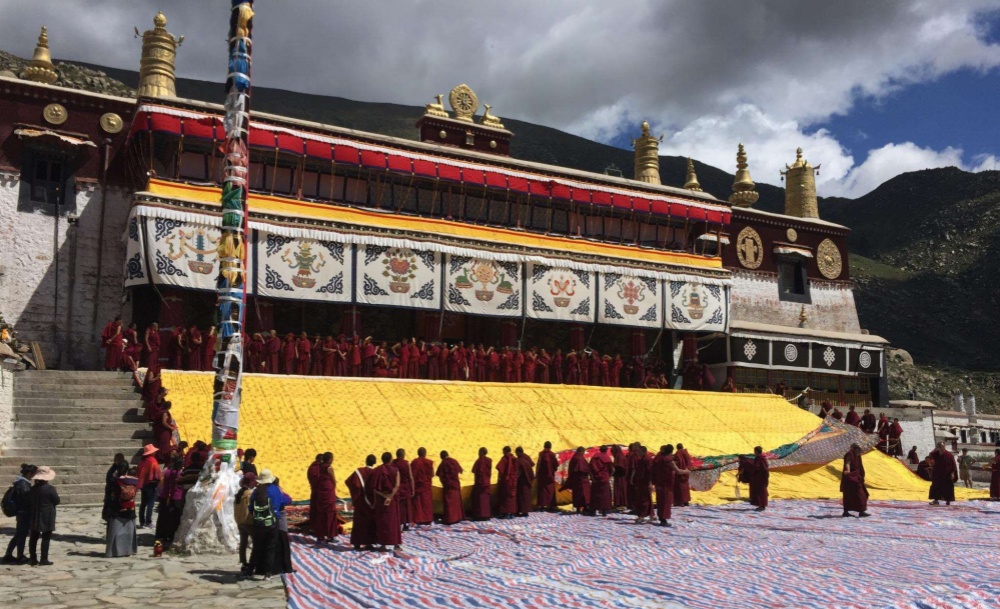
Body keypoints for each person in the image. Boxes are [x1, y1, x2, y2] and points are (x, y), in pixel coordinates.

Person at [248, 469, 290, 579]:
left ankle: (250, 570)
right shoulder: (275, 490)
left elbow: (251, 507)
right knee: (270, 547)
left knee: (256, 547)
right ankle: (267, 573)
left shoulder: (256, 491)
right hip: (272, 522)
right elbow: (283, 502)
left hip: (258, 522)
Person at [2, 464, 36, 564]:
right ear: (30, 473)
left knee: (19, 535)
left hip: (21, 512)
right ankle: (20, 556)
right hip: (23, 512)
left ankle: (8, 554)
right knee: (21, 535)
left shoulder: (20, 482)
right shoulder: (23, 484)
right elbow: (26, 499)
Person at [27, 466, 60, 566]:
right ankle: (43, 559)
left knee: (33, 537)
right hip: (47, 515)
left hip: (35, 515)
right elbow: (57, 501)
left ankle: (33, 558)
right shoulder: (50, 489)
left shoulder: (33, 489)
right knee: (46, 537)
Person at [368, 452, 401, 551]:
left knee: (382, 521)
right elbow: (397, 485)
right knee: (393, 522)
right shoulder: (396, 471)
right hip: (392, 500)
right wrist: (390, 497)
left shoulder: (377, 471)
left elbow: (374, 488)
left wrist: (384, 496)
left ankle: (383, 544)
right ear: (390, 460)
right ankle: (396, 544)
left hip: (381, 500)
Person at [345, 456, 376, 551]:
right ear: (374, 462)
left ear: (365, 461)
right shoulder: (375, 473)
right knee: (370, 522)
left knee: (359, 522)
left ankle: (357, 543)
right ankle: (369, 543)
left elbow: (348, 481)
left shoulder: (359, 471)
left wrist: (355, 494)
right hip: (371, 502)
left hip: (359, 501)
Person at [105, 468, 138, 558]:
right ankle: (128, 550)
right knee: (129, 530)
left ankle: (113, 551)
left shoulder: (117, 481)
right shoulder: (135, 482)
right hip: (130, 508)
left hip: (117, 507)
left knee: (115, 531)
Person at [154, 457, 185, 549]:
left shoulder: (166, 471)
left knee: (163, 516)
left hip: (165, 496)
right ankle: (171, 535)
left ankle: (161, 535)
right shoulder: (181, 473)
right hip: (177, 498)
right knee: (174, 518)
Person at [311, 452, 339, 543]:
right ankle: (330, 536)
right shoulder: (329, 468)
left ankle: (320, 536)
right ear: (330, 459)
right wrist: (334, 488)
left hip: (320, 490)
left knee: (321, 513)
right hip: (328, 491)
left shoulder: (318, 467)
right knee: (330, 513)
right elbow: (334, 480)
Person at [235, 472, 257, 574]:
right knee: (256, 543)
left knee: (243, 543)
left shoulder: (239, 493)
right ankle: (253, 563)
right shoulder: (250, 494)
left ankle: (244, 562)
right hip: (249, 521)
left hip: (240, 521)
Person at [136, 444, 161, 529]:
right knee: (150, 504)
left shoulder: (142, 461)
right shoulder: (153, 461)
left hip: (143, 484)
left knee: (143, 503)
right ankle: (148, 521)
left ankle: (141, 521)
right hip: (151, 484)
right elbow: (157, 474)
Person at [436, 450, 464, 525]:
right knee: (456, 502)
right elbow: (461, 471)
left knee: (449, 504)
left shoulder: (443, 463)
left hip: (448, 486)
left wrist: (443, 482)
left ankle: (450, 519)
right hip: (455, 485)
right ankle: (458, 517)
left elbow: (439, 474)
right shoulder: (454, 461)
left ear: (441, 457)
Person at [841, 443, 869, 517]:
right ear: (855, 449)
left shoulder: (858, 455)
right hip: (850, 477)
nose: (861, 452)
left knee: (862, 494)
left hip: (857, 477)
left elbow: (859, 466)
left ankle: (861, 511)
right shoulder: (849, 454)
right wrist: (848, 470)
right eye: (859, 450)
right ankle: (846, 511)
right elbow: (847, 463)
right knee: (848, 494)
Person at [391, 449, 415, 531]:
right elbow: (410, 477)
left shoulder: (393, 463)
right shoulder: (406, 464)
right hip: (405, 487)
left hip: (397, 488)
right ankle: (405, 525)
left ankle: (399, 524)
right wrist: (413, 489)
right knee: (406, 507)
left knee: (398, 507)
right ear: (403, 455)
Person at [411, 447, 435, 526]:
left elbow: (412, 475)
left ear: (418, 453)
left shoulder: (415, 462)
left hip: (418, 486)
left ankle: (418, 519)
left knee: (418, 503)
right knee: (427, 503)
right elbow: (432, 474)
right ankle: (428, 518)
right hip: (426, 486)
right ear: (425, 453)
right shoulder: (429, 462)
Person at [101, 454, 128, 522]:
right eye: (117, 460)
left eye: (120, 460)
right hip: (112, 494)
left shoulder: (121, 467)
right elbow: (110, 481)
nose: (118, 461)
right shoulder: (113, 470)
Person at [564, 447, 592, 515]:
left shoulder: (574, 458)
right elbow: (583, 468)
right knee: (584, 493)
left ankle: (578, 507)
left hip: (575, 479)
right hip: (581, 479)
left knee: (577, 493)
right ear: (582, 452)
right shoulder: (580, 458)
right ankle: (585, 507)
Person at [631, 447, 653, 524]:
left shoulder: (647, 459)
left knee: (644, 499)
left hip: (645, 482)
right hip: (641, 482)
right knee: (645, 498)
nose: (638, 453)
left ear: (644, 451)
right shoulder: (641, 459)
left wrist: (650, 483)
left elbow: (650, 472)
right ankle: (651, 515)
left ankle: (641, 516)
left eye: (639, 451)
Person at [588, 446, 612, 516]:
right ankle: (604, 511)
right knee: (605, 494)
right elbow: (612, 469)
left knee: (595, 494)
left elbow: (590, 467)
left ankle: (593, 510)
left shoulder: (595, 457)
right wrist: (609, 476)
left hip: (596, 478)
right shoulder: (607, 458)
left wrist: (592, 477)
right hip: (605, 478)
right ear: (606, 450)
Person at [535, 441, 559, 512]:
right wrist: (552, 470)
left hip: (542, 476)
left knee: (542, 491)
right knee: (550, 490)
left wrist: (537, 473)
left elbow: (538, 464)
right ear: (550, 447)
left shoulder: (541, 454)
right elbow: (556, 465)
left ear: (544, 446)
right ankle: (551, 506)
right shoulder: (552, 454)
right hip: (550, 476)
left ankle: (542, 506)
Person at [496, 446, 519, 519]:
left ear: (505, 451)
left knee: (505, 497)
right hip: (513, 480)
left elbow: (499, 468)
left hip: (506, 480)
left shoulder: (505, 458)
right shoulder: (514, 459)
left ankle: (505, 512)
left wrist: (500, 477)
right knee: (512, 497)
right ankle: (512, 512)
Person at [470, 447, 492, 520]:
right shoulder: (489, 460)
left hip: (480, 483)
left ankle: (480, 515)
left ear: (482, 452)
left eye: (479, 452)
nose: (478, 453)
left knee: (480, 499)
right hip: (487, 482)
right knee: (485, 499)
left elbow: (474, 471)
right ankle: (486, 514)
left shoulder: (479, 461)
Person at [514, 447, 535, 517]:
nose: (516, 454)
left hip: (521, 481)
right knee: (526, 496)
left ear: (519, 452)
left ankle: (521, 510)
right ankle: (525, 511)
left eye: (516, 453)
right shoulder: (526, 459)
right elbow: (531, 466)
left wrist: (515, 480)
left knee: (521, 496)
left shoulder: (519, 461)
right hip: (527, 480)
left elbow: (518, 472)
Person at [749, 446, 770, 512]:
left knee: (761, 492)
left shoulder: (760, 459)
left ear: (756, 451)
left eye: (754, 451)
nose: (754, 453)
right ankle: (761, 505)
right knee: (760, 491)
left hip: (761, 478)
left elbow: (759, 468)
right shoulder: (762, 458)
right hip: (760, 478)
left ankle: (762, 506)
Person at [673, 443, 692, 507]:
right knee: (685, 487)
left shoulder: (678, 453)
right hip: (686, 472)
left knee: (679, 487)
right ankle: (686, 501)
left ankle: (680, 502)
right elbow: (689, 461)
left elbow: (677, 462)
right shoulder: (686, 452)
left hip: (680, 472)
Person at [611, 445, 628, 510]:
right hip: (618, 476)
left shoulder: (620, 457)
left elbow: (621, 467)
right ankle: (618, 503)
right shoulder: (617, 457)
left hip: (621, 477)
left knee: (621, 490)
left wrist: (614, 471)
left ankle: (622, 504)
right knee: (618, 490)